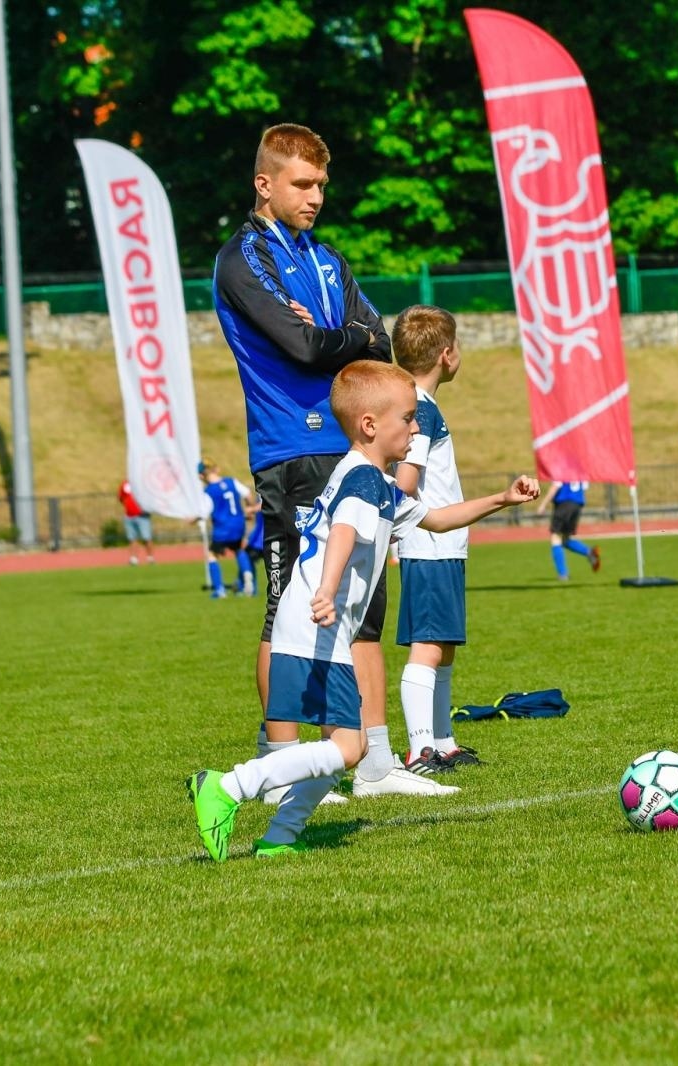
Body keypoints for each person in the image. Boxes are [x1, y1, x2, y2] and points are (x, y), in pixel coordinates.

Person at [184, 361, 539, 861]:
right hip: (317, 626)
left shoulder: (376, 481)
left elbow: (434, 519)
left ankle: (280, 839)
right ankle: (227, 786)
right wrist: (328, 589)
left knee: (336, 757)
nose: (416, 429)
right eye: (409, 419)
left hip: (317, 627)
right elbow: (345, 533)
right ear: (370, 425)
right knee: (350, 749)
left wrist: (502, 499)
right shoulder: (365, 482)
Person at [213, 121, 393, 792]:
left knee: (360, 606)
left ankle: (373, 763)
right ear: (265, 184)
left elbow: (380, 341)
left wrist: (336, 335)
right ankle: (276, 760)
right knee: (288, 606)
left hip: (350, 447)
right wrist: (342, 338)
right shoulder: (243, 259)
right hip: (291, 449)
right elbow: (302, 349)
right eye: (302, 184)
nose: (315, 197)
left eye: (321, 185)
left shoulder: (327, 259)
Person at [389, 305, 484, 775]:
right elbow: (406, 480)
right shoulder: (419, 410)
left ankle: (442, 741)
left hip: (443, 546)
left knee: (443, 643)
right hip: (429, 544)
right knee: (427, 645)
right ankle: (420, 749)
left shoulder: (417, 403)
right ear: (447, 354)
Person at [198, 460, 253, 598]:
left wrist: (192, 519)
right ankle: (248, 581)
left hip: (222, 527)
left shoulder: (209, 491)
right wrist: (250, 509)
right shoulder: (231, 482)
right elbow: (247, 494)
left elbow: (204, 512)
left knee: (211, 555)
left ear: (201, 475)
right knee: (238, 549)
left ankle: (219, 590)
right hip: (238, 523)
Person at [536, 481, 600, 580]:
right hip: (577, 505)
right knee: (565, 539)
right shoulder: (580, 472)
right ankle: (589, 552)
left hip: (564, 504)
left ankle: (563, 574)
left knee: (555, 538)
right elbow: (584, 487)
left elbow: (555, 486)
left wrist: (543, 504)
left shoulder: (562, 469)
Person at [118, 480, 156, 565]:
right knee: (132, 538)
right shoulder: (125, 484)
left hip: (142, 516)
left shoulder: (143, 482)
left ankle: (150, 558)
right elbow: (121, 498)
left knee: (146, 537)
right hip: (129, 516)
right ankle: (134, 558)